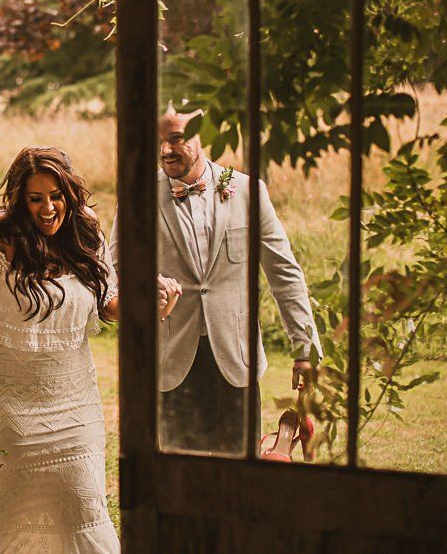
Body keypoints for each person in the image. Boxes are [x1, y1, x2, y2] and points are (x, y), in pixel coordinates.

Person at [0, 147, 175, 552]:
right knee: (12, 516)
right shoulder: (0, 234)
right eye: (35, 199)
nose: (47, 208)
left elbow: (109, 305)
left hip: (73, 402)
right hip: (4, 404)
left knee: (84, 509)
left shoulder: (86, 231)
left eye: (55, 196)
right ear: (19, 199)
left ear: (69, 193)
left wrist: (148, 298)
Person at [110, 108, 322, 455]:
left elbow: (284, 272)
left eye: (175, 139)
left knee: (241, 472)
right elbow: (114, 270)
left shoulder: (249, 191)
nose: (165, 150)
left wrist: (305, 348)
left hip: (236, 356)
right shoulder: (138, 196)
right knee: (183, 474)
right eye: (159, 141)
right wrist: (148, 285)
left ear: (202, 136)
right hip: (171, 356)